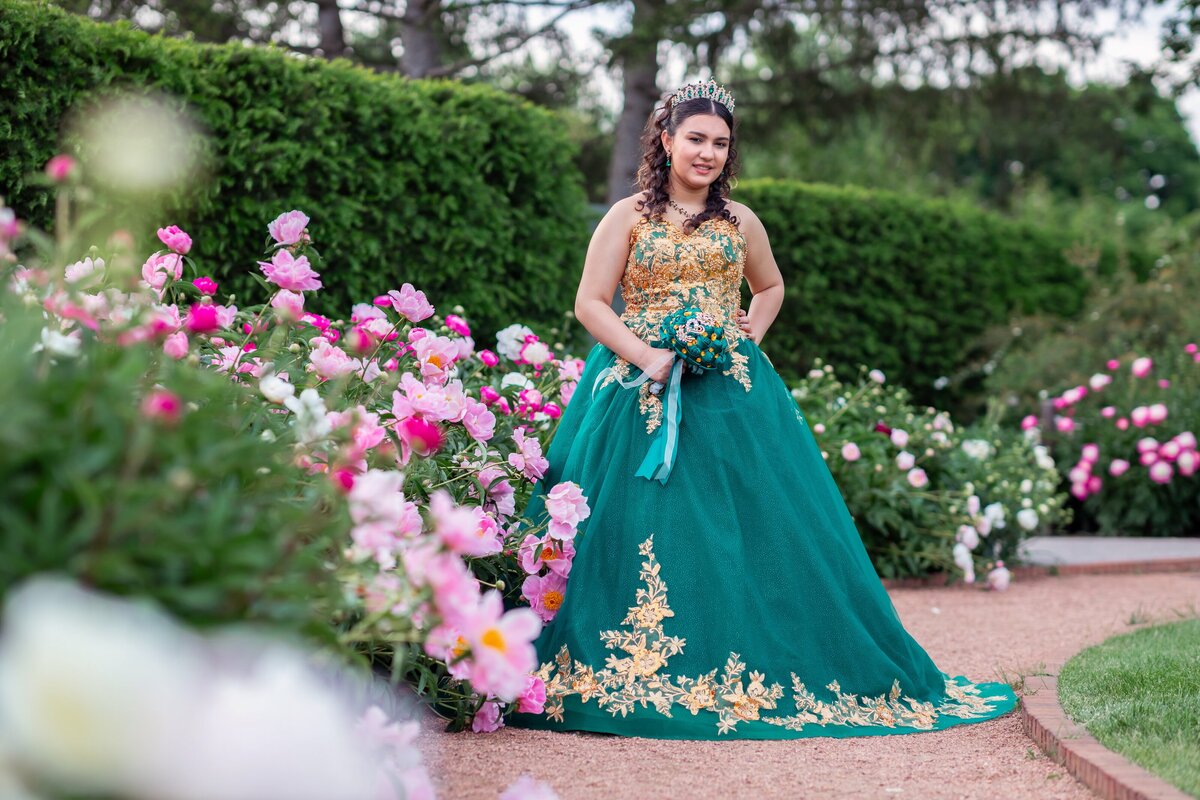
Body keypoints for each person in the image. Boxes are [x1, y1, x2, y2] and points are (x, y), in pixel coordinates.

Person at [506, 79, 1017, 739]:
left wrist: (745, 333)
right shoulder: (627, 215)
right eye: (695, 138)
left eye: (720, 143)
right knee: (633, 525)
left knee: (747, 527)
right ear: (665, 140)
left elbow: (770, 286)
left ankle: (746, 661)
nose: (707, 153)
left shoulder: (740, 221)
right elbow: (590, 303)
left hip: (731, 394)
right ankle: (628, 665)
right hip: (635, 389)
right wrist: (647, 355)